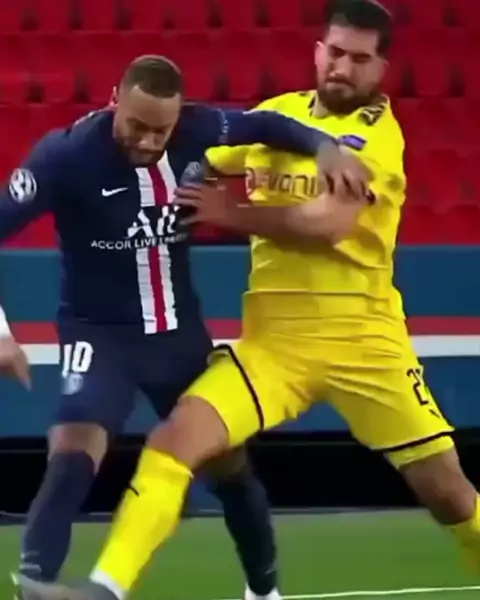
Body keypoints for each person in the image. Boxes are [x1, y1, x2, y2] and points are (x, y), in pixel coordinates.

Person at [7, 54, 370, 600]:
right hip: (99, 335)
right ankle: (33, 584)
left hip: (178, 337)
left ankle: (264, 591)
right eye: (137, 126)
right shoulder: (65, 157)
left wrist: (326, 147)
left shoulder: (199, 127)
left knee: (229, 465)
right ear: (114, 100)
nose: (149, 141)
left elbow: (266, 124)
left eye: (162, 130)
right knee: (74, 448)